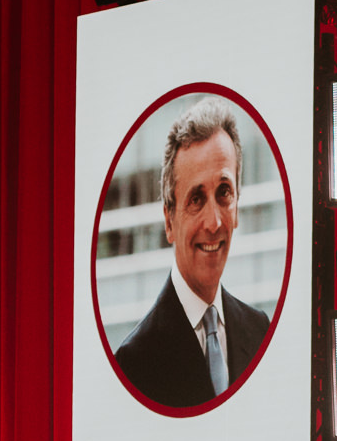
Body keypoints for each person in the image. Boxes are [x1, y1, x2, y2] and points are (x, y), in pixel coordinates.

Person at [113, 96, 270, 408]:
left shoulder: (260, 331)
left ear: (237, 207)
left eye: (224, 193)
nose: (214, 223)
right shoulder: (133, 364)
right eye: (196, 199)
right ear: (169, 221)